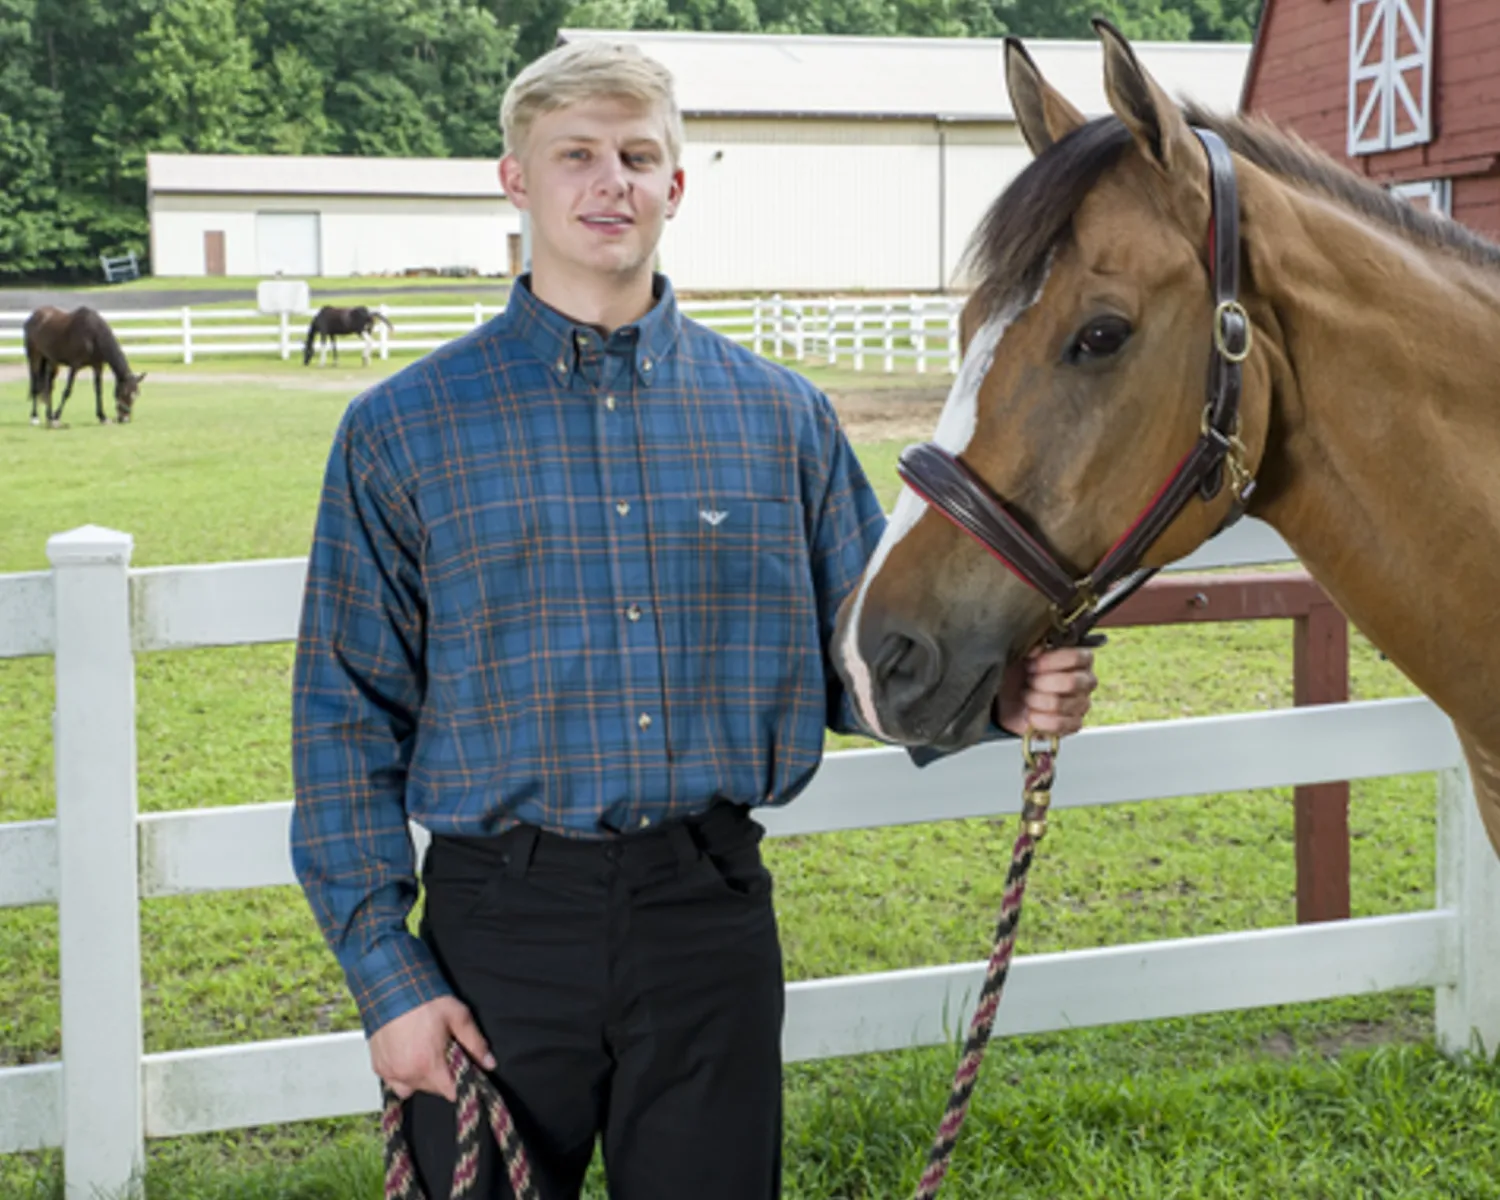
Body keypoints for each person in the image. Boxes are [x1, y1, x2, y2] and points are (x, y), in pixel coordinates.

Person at [290, 38, 1097, 1200]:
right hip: (495, 931)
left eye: (636, 155)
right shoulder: (401, 433)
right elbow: (342, 722)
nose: (608, 181)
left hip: (706, 920)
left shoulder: (783, 420)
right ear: (516, 179)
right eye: (576, 155)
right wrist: (388, 980)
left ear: (677, 184)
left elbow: (854, 657)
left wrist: (997, 699)